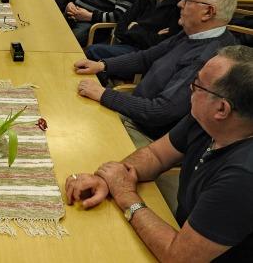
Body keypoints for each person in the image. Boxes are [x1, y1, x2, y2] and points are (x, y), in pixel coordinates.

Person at [66, 45, 253, 262]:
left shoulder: (243, 177)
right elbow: (157, 155)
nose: (190, 88)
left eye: (198, 85)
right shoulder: (208, 120)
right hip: (181, 230)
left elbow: (179, 257)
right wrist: (108, 178)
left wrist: (126, 195)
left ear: (222, 109)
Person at [75, 0, 237, 146]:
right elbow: (146, 57)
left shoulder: (209, 58)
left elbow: (160, 111)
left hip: (149, 136)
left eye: (188, 0)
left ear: (208, 12)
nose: (180, 3)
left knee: (83, 137)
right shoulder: (194, 34)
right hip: (136, 112)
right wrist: (102, 65)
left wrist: (103, 94)